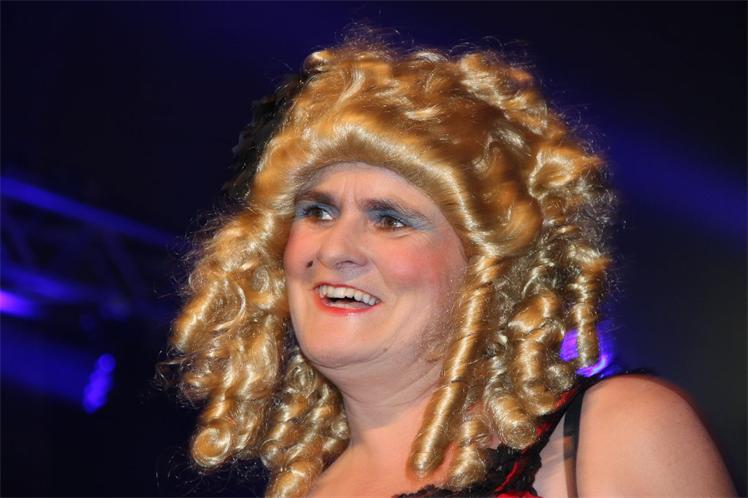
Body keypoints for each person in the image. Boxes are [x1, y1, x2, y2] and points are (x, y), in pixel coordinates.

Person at [165, 37, 735, 497]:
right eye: (317, 211)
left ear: (488, 270)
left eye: (390, 220)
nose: (334, 249)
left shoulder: (614, 433)